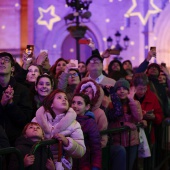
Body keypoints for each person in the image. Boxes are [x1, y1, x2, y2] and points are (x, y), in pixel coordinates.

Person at [32, 89, 86, 169]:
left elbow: (81, 151)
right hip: (39, 163)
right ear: (51, 104)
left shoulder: (74, 124)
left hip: (61, 165)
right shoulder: (37, 120)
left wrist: (67, 142)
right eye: (59, 98)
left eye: (65, 98)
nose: (64, 99)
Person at [108, 78, 143, 170]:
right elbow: (110, 124)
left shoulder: (135, 103)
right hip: (117, 141)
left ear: (128, 90)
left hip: (132, 142)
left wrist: (131, 101)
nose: (122, 91)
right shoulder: (111, 105)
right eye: (119, 89)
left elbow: (138, 118)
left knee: (129, 166)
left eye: (124, 88)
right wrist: (123, 124)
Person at [0, 52, 33, 146]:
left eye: (6, 60)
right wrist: (2, 103)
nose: (2, 62)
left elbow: (25, 120)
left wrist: (11, 104)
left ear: (12, 68)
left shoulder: (22, 90)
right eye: (0, 61)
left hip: (17, 142)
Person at [72, 93, 102, 170]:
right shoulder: (68, 120)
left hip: (83, 163)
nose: (75, 106)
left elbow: (96, 146)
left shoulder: (89, 122)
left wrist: (96, 165)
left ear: (87, 107)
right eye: (73, 102)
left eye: (79, 103)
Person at [74, 79, 108, 148]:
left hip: (91, 149)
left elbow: (102, 135)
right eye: (86, 91)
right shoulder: (74, 109)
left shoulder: (99, 113)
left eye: (91, 92)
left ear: (96, 95)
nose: (87, 93)